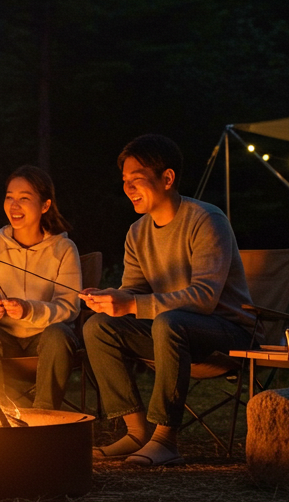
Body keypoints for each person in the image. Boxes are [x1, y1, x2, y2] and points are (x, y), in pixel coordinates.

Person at [81, 134, 256, 466]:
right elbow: (133, 290)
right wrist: (112, 297)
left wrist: (132, 305)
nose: (128, 188)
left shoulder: (207, 220)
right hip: (171, 333)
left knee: (169, 321)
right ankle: (136, 433)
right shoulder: (137, 232)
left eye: (137, 179)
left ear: (168, 178)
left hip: (228, 333)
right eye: (124, 181)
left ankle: (166, 439)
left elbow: (204, 298)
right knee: (98, 327)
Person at [0, 165, 82, 411]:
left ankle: (44, 416)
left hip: (46, 338)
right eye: (9, 197)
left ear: (45, 205)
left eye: (24, 199)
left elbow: (69, 307)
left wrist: (29, 309)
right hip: (5, 338)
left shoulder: (63, 249)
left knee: (59, 334)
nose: (14, 206)